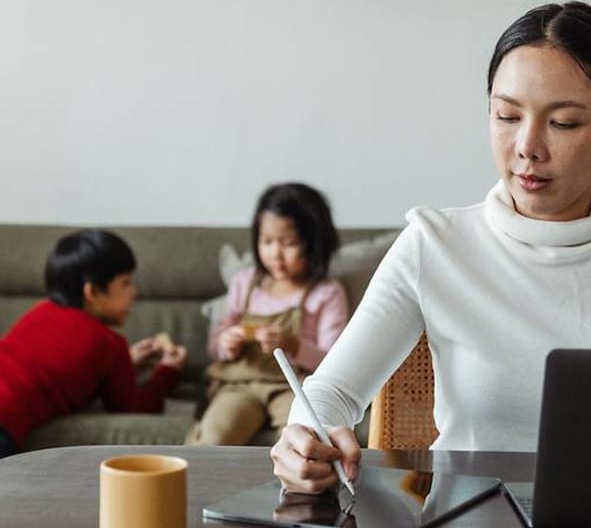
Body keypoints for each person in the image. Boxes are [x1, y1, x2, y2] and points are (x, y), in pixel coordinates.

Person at [269, 0, 591, 493]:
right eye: (507, 116)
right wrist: (306, 437)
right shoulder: (434, 245)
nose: (528, 147)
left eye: (563, 123)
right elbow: (332, 391)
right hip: (469, 517)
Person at [0, 229, 187, 458]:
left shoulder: (39, 312)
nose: (134, 292)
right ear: (93, 292)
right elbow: (135, 408)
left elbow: (50, 366)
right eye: (126, 282)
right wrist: (168, 372)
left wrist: (126, 363)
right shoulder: (109, 344)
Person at [186, 183, 349, 445]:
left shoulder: (326, 293)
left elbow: (334, 363)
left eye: (289, 243)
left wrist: (293, 345)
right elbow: (214, 346)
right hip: (241, 384)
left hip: (293, 387)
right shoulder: (245, 283)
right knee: (213, 438)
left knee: (302, 442)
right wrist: (227, 343)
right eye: (267, 242)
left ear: (314, 243)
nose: (275, 254)